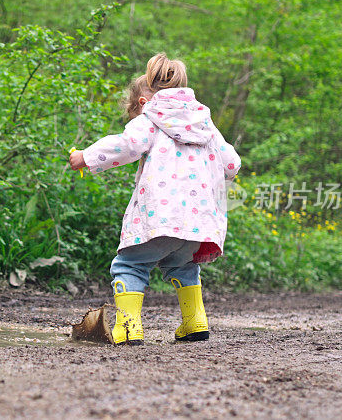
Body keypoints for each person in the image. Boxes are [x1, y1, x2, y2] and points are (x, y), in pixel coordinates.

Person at [69, 53, 241, 345]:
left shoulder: (150, 118)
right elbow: (232, 164)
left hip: (161, 217)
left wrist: (85, 157)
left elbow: (125, 145)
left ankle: (128, 327)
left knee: (129, 265)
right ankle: (195, 323)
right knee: (183, 265)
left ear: (143, 102)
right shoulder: (205, 124)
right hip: (199, 225)